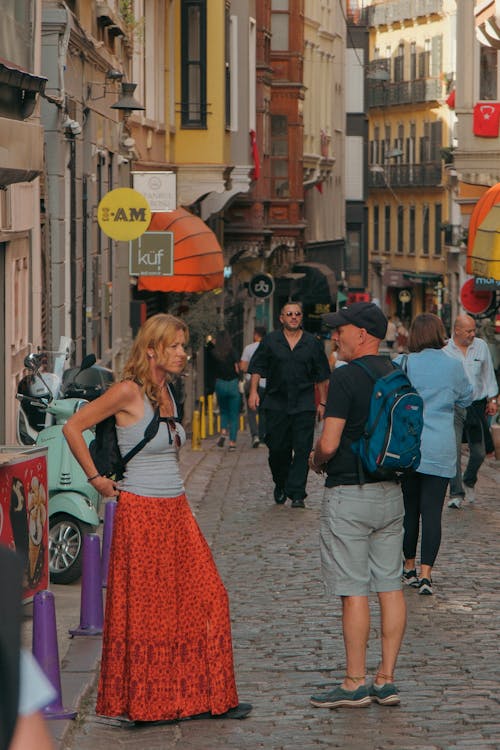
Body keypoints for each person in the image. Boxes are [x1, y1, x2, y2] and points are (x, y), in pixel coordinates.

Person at [63, 314, 251, 723]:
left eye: (184, 346)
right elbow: (73, 427)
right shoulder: (127, 391)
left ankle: (202, 695)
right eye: (176, 346)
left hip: (177, 510)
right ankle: (151, 704)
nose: (184, 353)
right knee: (149, 614)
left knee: (207, 598)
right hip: (142, 512)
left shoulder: (167, 390)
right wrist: (96, 480)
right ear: (152, 349)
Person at [308, 302, 406, 709]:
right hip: (391, 494)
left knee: (353, 592)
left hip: (350, 493)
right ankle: (386, 680)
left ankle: (354, 682)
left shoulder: (346, 378)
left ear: (362, 334)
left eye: (341, 330)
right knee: (390, 586)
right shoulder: (398, 374)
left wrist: (315, 459)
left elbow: (329, 443)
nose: (335, 336)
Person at [395, 314, 473, 596]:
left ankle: (408, 567)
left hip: (408, 447)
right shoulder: (453, 365)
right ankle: (427, 575)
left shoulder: (402, 363)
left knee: (409, 511)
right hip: (440, 446)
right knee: (431, 513)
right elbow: (467, 397)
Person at [248, 301, 330, 508]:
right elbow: (257, 367)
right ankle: (280, 483)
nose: (293, 317)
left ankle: (297, 493)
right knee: (277, 449)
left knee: (302, 450)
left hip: (303, 404)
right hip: (276, 403)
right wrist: (253, 392)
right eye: (289, 314)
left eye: (297, 314)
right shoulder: (270, 341)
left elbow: (322, 376)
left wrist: (323, 403)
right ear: (281, 318)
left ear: (301, 317)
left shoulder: (312, 343)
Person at [444, 314, 498, 509]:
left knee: (480, 452)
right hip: (454, 406)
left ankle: (469, 480)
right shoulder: (445, 350)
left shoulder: (481, 346)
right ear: (456, 330)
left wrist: (492, 398)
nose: (472, 334)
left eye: (474, 330)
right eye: (468, 331)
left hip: (475, 406)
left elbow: (488, 373)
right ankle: (456, 493)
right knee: (454, 452)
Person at [206, 330, 241, 451]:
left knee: (224, 412)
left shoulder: (214, 353)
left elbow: (210, 370)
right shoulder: (233, 351)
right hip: (232, 384)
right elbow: (238, 368)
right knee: (234, 414)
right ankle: (232, 443)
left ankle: (223, 431)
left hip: (220, 384)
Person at [239, 326, 267, 448]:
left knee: (251, 411)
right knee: (263, 412)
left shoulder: (249, 348)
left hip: (252, 384)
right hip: (265, 384)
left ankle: (254, 435)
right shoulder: (269, 348)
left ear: (256, 335)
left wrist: (252, 367)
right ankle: (262, 437)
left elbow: (243, 367)